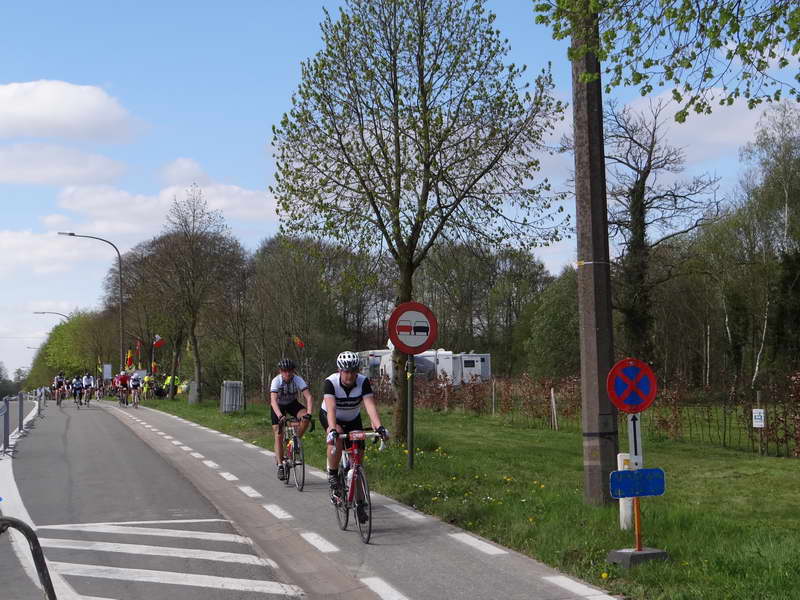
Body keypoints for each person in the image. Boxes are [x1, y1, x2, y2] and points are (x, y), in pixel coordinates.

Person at [320, 351, 388, 497]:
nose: (350, 376)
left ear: (358, 370)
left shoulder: (363, 382)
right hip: (331, 416)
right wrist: (332, 430)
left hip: (352, 418)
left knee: (357, 457)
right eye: (346, 372)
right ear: (339, 371)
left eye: (353, 371)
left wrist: (379, 427)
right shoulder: (330, 382)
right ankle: (333, 474)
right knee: (337, 436)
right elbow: (331, 409)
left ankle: (359, 498)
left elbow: (370, 406)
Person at [270, 358, 314, 480]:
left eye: (290, 371)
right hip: (278, 406)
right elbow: (273, 401)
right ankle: (280, 465)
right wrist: (280, 416)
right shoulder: (276, 381)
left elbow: (309, 397)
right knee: (278, 434)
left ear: (293, 371)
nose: (287, 373)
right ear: (280, 371)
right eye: (284, 371)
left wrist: (309, 413)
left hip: (292, 404)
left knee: (305, 418)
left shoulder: (297, 379)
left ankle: (296, 440)